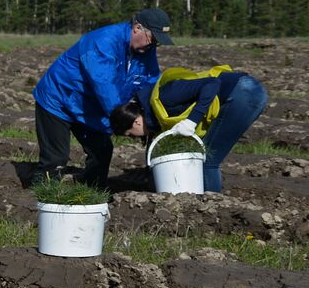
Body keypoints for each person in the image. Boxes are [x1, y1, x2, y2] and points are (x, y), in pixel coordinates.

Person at [31, 8, 171, 188]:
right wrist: (125, 121)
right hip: (59, 100)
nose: (153, 46)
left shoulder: (145, 50)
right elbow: (105, 87)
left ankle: (91, 192)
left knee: (102, 150)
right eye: (153, 39)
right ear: (137, 28)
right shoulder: (103, 42)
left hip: (89, 107)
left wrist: (155, 115)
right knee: (56, 158)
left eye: (157, 43)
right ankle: (41, 199)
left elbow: (150, 81)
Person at [110, 66, 268, 193]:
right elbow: (153, 147)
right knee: (205, 155)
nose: (135, 138)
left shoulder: (166, 96)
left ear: (136, 122)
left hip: (244, 92)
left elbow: (212, 84)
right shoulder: (154, 114)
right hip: (244, 91)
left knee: (207, 160)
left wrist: (192, 120)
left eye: (130, 135)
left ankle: (210, 210)